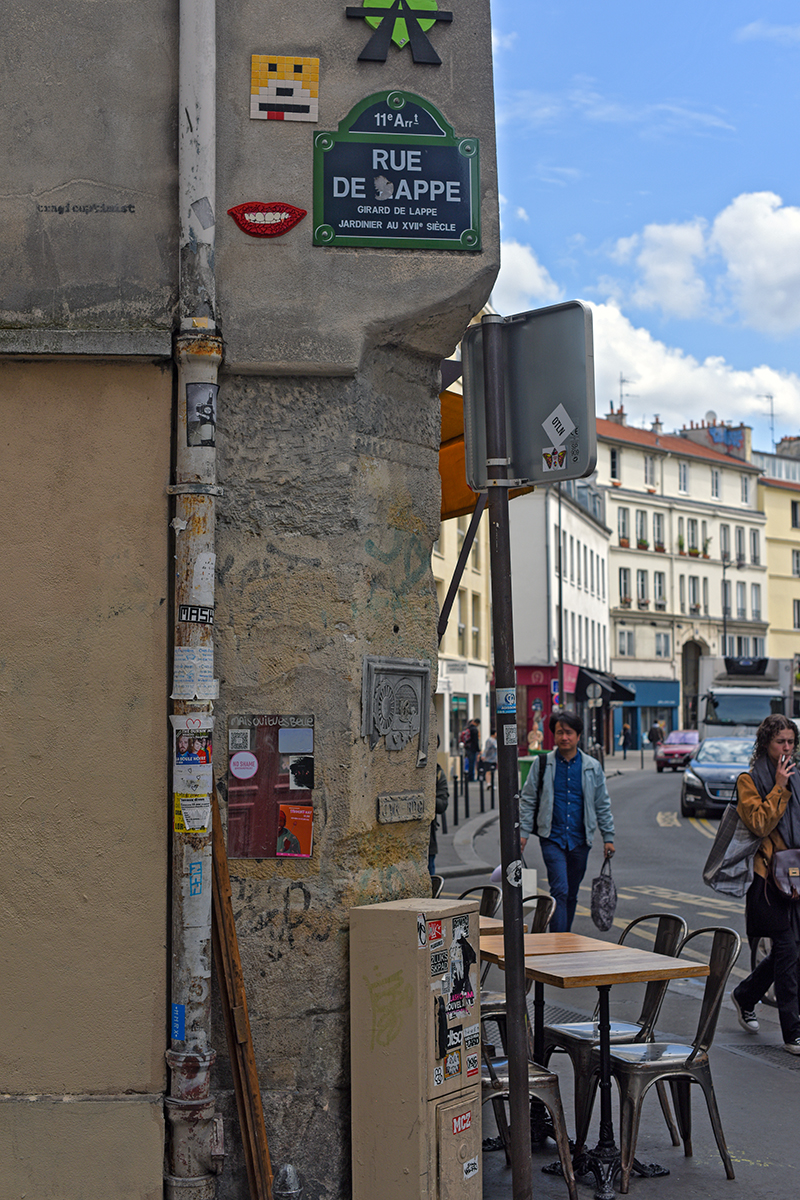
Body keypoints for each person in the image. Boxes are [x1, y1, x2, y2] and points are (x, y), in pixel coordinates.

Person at [730, 714, 800, 1054]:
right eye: (780, 742)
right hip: (769, 881)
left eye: (790, 741)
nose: (786, 748)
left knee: (792, 950)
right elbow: (759, 823)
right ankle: (793, 1031)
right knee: (787, 948)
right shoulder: (749, 780)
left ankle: (745, 995)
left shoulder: (797, 776)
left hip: (798, 877)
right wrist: (779, 787)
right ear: (765, 745)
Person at [519, 710, 615, 933]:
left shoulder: (592, 766)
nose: (564, 737)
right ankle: (558, 943)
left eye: (569, 733)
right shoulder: (542, 764)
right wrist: (523, 832)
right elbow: (528, 799)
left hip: (580, 840)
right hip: (551, 838)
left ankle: (564, 936)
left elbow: (602, 804)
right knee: (559, 890)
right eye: (560, 732)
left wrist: (608, 837)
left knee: (571, 893)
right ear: (554, 735)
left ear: (578, 736)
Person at [429, 739, 450, 876]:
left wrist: (427, 799)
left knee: (430, 873)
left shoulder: (438, 773)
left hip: (429, 837)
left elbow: (442, 804)